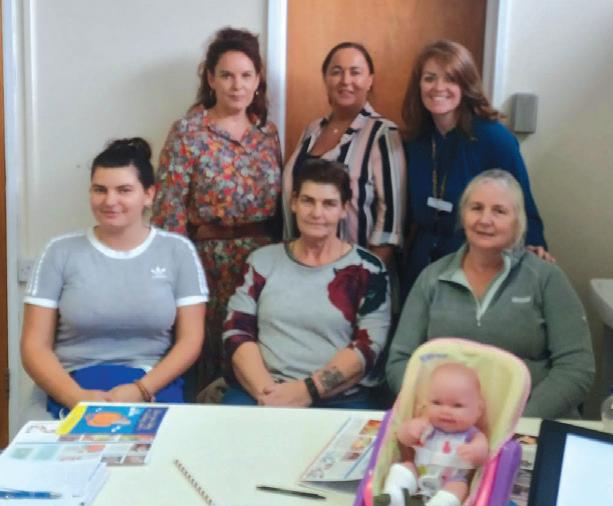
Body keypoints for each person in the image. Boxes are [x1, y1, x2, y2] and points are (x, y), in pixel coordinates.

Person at [21, 138, 207, 418]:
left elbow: (190, 340)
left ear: (149, 195)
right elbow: (34, 347)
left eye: (124, 190)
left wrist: (140, 389)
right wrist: (78, 398)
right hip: (72, 385)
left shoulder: (178, 251)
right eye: (100, 190)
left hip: (152, 384)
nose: (110, 201)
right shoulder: (59, 252)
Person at [387, 170, 594, 419]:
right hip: (446, 424)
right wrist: (435, 411)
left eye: (499, 211)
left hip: (530, 422)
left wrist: (517, 422)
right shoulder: (432, 278)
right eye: (476, 208)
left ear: (518, 221)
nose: (485, 220)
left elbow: (576, 368)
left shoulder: (546, 278)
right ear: (463, 216)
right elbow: (400, 360)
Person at [152, 27, 282, 388]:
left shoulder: (267, 134)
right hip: (206, 264)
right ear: (211, 79)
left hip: (263, 263)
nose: (237, 85)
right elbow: (168, 213)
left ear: (257, 80)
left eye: (246, 75)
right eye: (226, 75)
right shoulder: (188, 132)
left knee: (257, 357)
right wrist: (176, 275)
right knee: (208, 358)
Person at [223, 159, 390, 408]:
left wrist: (306, 391)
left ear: (344, 209)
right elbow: (237, 332)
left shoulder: (369, 269)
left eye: (329, 204)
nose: (316, 213)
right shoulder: (261, 262)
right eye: (307, 201)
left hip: (338, 397)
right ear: (293, 203)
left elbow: (369, 346)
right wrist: (269, 394)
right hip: (262, 392)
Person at [401, 39, 549, 295]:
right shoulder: (415, 140)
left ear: (465, 85)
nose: (438, 87)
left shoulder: (494, 138)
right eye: (429, 78)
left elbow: (523, 207)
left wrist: (534, 249)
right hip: (421, 265)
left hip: (477, 264)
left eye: (450, 79)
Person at [282, 42, 406, 267]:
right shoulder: (312, 130)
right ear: (326, 79)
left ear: (369, 80)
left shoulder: (382, 133)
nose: (345, 80)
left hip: (353, 271)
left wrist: (366, 277)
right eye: (336, 72)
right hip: (300, 265)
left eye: (355, 72)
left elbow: (390, 224)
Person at [376, 363, 489, 506]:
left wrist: (476, 451)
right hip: (419, 472)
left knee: (459, 489)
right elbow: (402, 438)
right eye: (436, 402)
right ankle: (394, 499)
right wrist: (409, 430)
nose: (445, 410)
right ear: (426, 404)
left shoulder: (473, 435)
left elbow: (484, 454)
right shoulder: (425, 424)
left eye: (457, 405)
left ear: (478, 410)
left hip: (452, 479)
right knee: (403, 467)